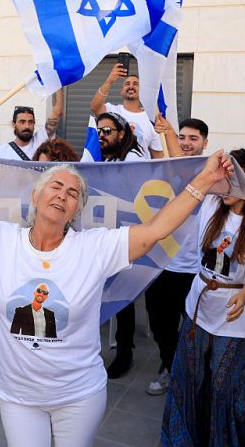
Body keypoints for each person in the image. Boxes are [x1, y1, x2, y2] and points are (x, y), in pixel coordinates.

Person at [0, 130, 233, 447]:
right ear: (36, 196)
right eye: (56, 186)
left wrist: (203, 182)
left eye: (73, 193)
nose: (62, 195)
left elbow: (156, 230)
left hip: (79, 396)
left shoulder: (94, 248)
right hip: (18, 397)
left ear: (76, 209)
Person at [162, 149, 245, 446]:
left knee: (224, 387)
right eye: (224, 180)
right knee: (189, 377)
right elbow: (190, 174)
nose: (225, 187)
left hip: (231, 312)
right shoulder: (213, 205)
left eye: (233, 181)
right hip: (198, 306)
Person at [145, 117, 210, 395]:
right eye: (181, 137)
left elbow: (185, 169)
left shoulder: (210, 174)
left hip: (195, 269)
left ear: (205, 142)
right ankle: (171, 369)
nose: (186, 143)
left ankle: (188, 377)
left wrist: (169, 132)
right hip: (160, 265)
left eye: (193, 138)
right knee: (160, 325)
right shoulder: (164, 171)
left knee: (192, 330)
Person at [96, 111, 145, 378]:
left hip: (126, 239)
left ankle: (125, 352)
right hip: (107, 237)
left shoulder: (133, 159)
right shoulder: (107, 157)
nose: (101, 136)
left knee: (123, 297)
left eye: (107, 131)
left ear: (122, 133)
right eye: (99, 131)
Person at [90, 63, 164, 158]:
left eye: (136, 84)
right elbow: (95, 107)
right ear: (121, 91)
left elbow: (157, 155)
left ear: (143, 91)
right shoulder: (112, 111)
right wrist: (110, 80)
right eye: (127, 84)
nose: (131, 86)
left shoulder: (151, 118)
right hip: (114, 166)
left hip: (140, 167)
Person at [0, 89, 64, 160]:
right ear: (14, 124)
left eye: (30, 122)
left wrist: (58, 86)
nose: (27, 126)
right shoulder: (1, 152)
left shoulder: (39, 141)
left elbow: (57, 112)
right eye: (22, 122)